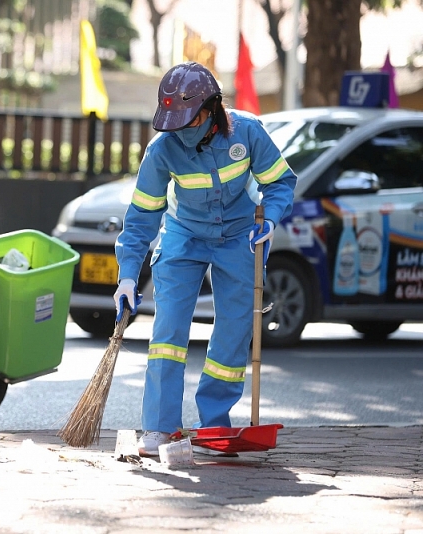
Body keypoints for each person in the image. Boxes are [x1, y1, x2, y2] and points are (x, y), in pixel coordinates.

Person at [113, 62, 297, 458]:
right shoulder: (162, 149)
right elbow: (142, 215)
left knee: (234, 332)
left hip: (241, 236)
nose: (181, 129)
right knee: (168, 333)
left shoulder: (247, 132)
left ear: (211, 108)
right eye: (174, 121)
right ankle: (160, 427)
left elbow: (280, 182)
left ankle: (214, 424)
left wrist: (270, 218)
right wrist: (127, 275)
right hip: (184, 235)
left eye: (189, 119)